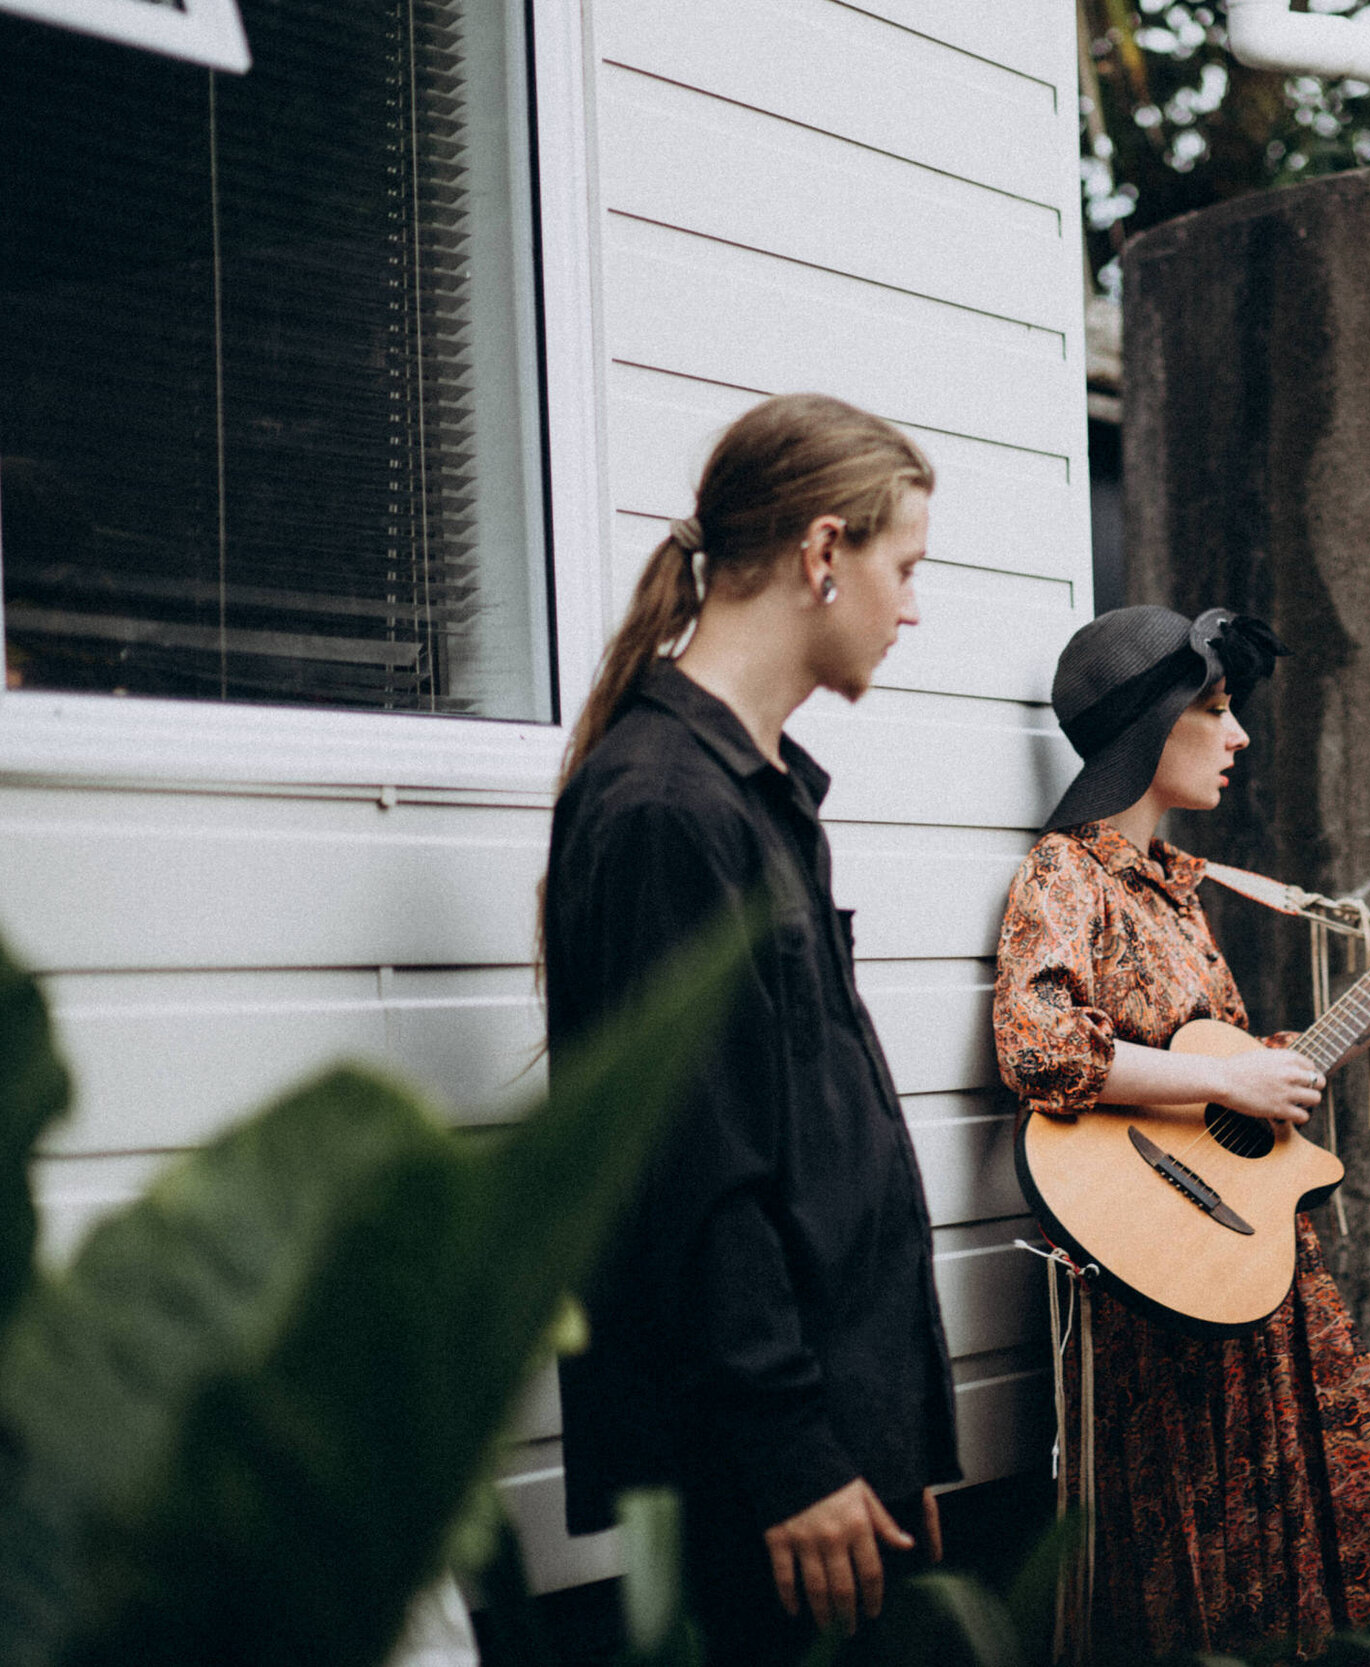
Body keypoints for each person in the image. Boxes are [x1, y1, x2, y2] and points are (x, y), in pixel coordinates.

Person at [992, 604, 1370, 1663]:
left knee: (1366, 1572)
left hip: (1255, 1270)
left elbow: (1230, 1087)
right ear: (1150, 726)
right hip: (1163, 1291)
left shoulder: (1176, 892)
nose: (1240, 735)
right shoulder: (1064, 874)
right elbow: (1039, 1045)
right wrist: (1234, 1075)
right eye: (1215, 710)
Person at [544, 394, 957, 1665]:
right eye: (905, 568)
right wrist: (792, 1450)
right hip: (767, 1475)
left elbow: (818, 1129)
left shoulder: (754, 794)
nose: (912, 607)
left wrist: (901, 1439)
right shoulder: (666, 808)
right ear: (822, 552)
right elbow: (691, 1167)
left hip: (841, 1442)